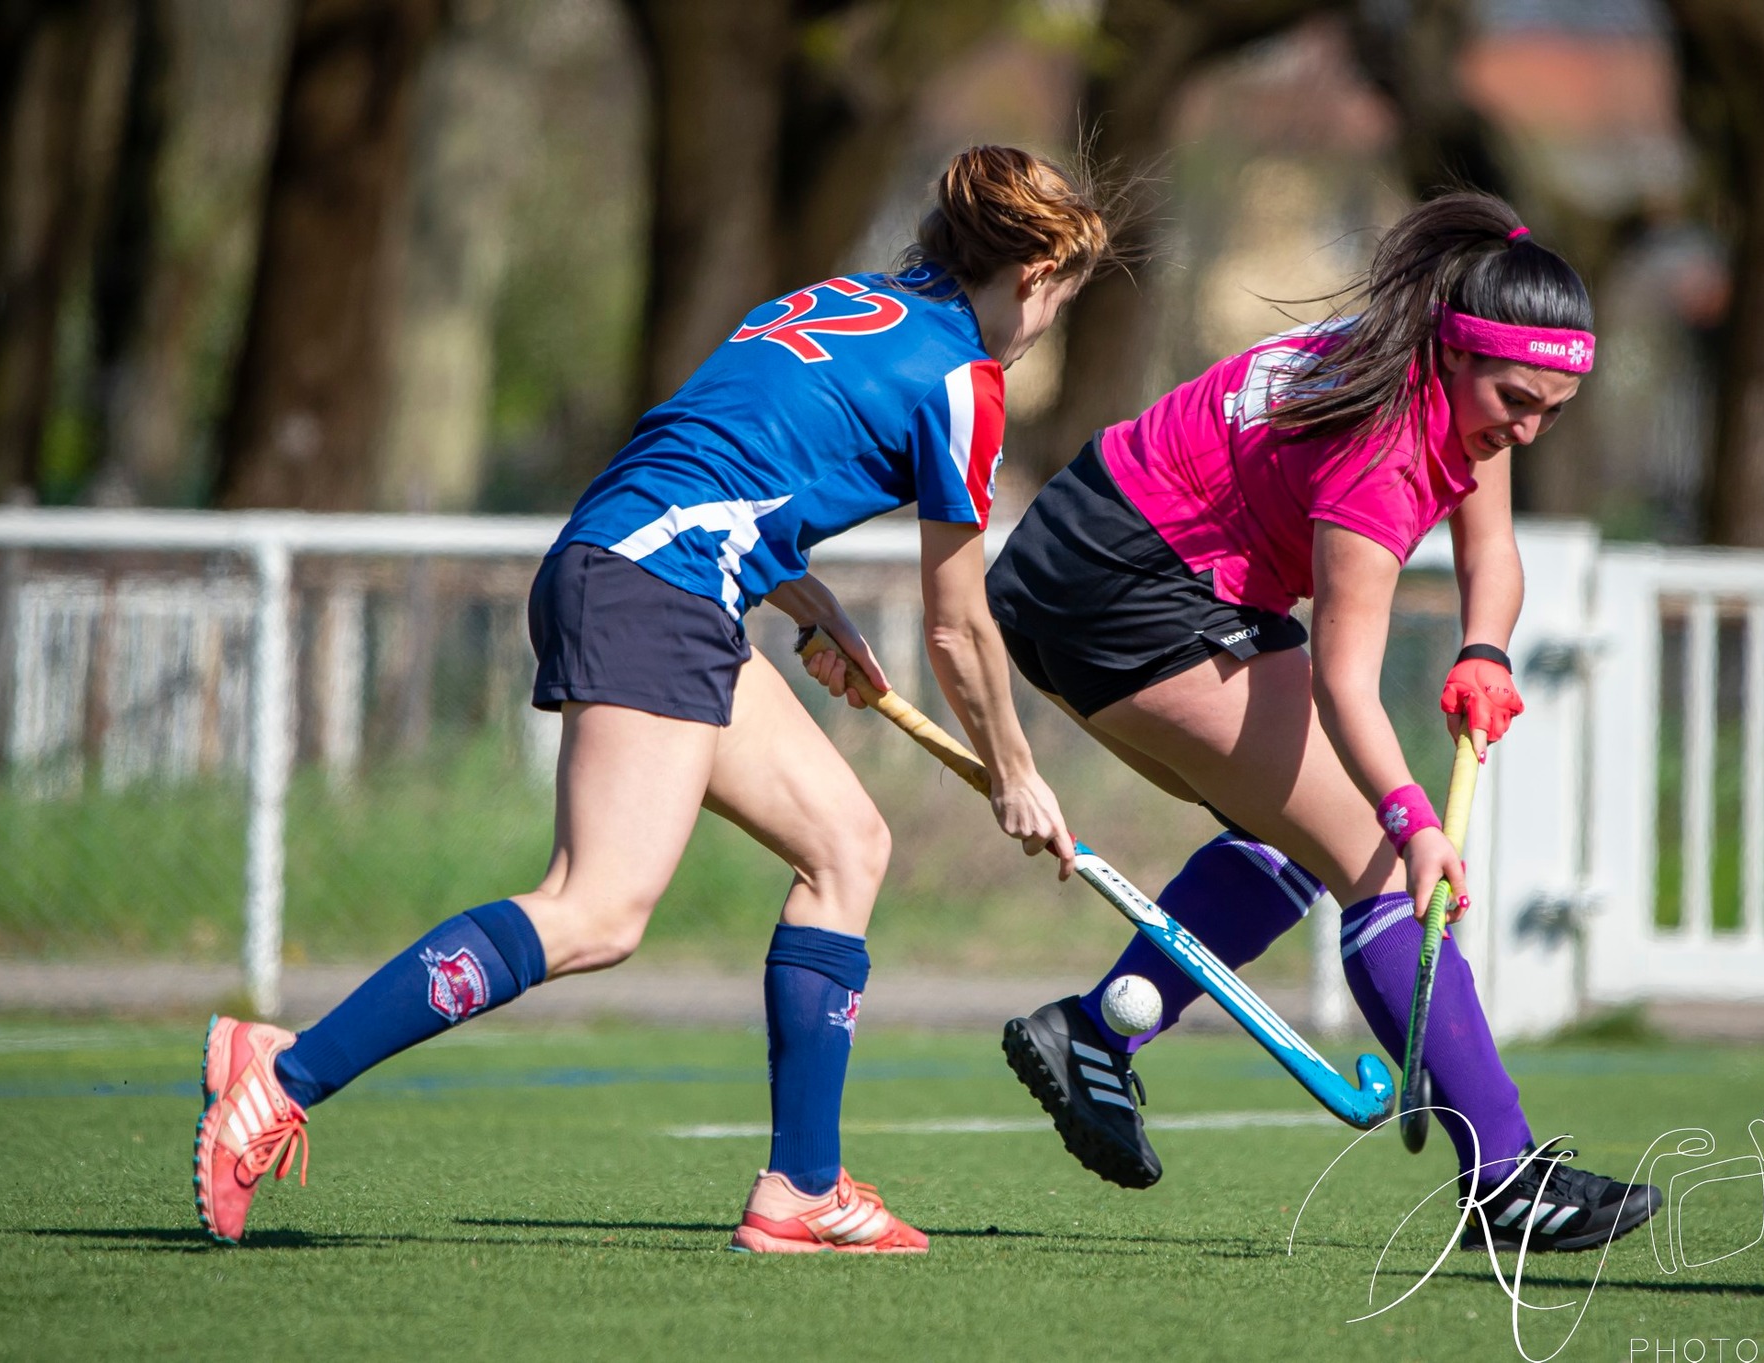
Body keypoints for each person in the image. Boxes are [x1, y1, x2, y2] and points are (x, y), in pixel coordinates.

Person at [192, 145, 1108, 1254]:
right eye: (1063, 293)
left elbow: (712, 460)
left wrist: (810, 603)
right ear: (1034, 268)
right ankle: (281, 1075)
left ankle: (802, 1189)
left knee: (845, 845)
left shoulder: (836, 299)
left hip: (640, 566)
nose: (1052, 319)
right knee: (596, 909)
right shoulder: (967, 380)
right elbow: (958, 624)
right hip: (655, 589)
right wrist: (1014, 772)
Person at [985, 192, 1662, 1253]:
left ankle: (1094, 1029)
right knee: (1375, 867)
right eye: (1515, 399)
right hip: (1119, 581)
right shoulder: (1380, 445)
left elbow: (1491, 552)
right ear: (1452, 350)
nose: (1526, 426)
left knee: (1288, 834)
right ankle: (1505, 1176)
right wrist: (1410, 819)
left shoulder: (1452, 374)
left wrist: (1481, 650)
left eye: (1552, 409)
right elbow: (1348, 681)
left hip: (1108, 558)